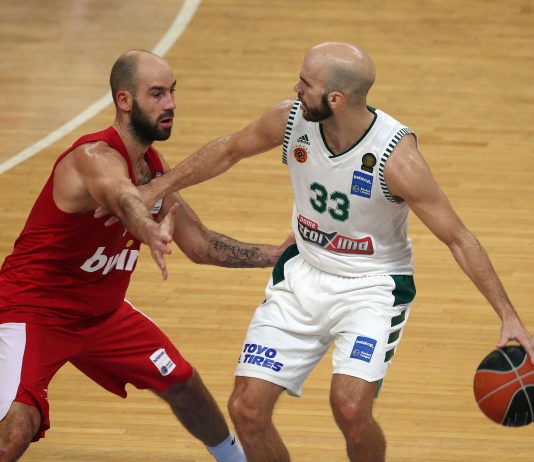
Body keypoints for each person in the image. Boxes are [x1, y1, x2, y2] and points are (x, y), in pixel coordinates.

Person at [131, 41, 534, 462]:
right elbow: (229, 149)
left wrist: (507, 314)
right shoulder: (290, 119)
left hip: (372, 287)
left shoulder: (397, 160)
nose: (296, 89)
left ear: (336, 99)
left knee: (351, 408)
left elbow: (458, 238)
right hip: (303, 274)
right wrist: (157, 188)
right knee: (245, 409)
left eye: (306, 83)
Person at [0, 49, 294, 462]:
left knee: (183, 383)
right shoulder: (93, 158)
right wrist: (149, 229)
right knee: (15, 433)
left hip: (102, 313)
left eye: (172, 92)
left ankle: (234, 459)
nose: (170, 103)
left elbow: (201, 244)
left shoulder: (153, 167)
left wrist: (276, 254)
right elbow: (124, 199)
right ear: (125, 100)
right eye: (157, 93)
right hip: (35, 311)